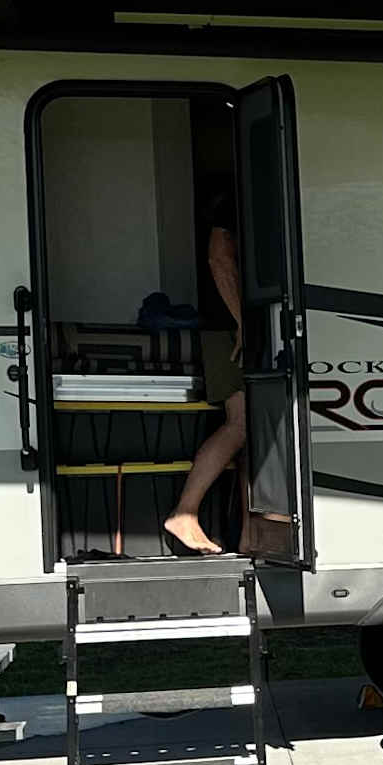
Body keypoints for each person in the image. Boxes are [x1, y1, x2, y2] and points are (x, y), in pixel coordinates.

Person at [161, 222, 244, 557]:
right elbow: (219, 259)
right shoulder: (231, 197)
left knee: (255, 433)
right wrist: (244, 324)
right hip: (230, 331)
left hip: (236, 328)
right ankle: (185, 513)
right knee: (240, 425)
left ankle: (251, 534)